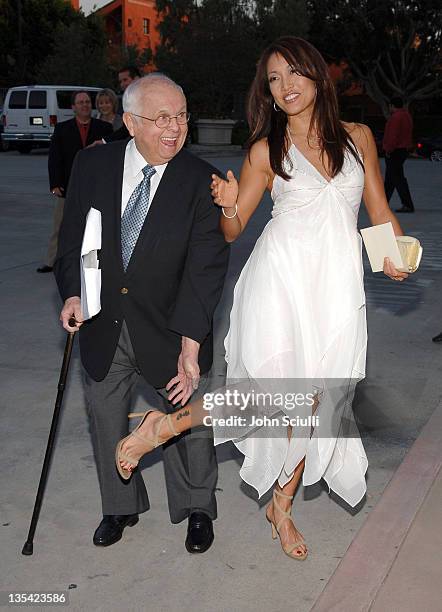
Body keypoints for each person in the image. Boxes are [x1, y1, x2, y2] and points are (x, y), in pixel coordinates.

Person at [116, 37, 409, 561]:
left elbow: (378, 211)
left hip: (335, 287)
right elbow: (232, 232)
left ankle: (281, 504)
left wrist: (394, 254)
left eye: (294, 73)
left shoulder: (359, 137)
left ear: (317, 77)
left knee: (313, 403)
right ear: (268, 93)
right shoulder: (264, 150)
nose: (286, 86)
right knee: (278, 394)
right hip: (279, 281)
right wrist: (229, 205)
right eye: (274, 79)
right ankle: (167, 426)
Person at [54, 74, 229, 553]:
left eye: (181, 116)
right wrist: (72, 294)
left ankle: (197, 508)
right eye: (161, 118)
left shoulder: (200, 181)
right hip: (103, 321)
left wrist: (191, 346)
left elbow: (206, 268)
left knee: (185, 421)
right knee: (106, 417)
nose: (175, 128)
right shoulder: (92, 165)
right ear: (130, 122)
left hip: (172, 327)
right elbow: (70, 242)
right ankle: (120, 506)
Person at [37, 91, 112, 273]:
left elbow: (111, 158)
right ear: (73, 107)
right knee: (60, 225)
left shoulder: (104, 128)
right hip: (68, 186)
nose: (85, 105)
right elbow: (55, 158)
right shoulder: (62, 129)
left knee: (98, 226)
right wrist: (55, 184)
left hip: (96, 186)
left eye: (87, 102)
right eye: (80, 102)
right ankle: (52, 261)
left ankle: (102, 261)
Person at [383, 97, 415, 213]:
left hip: (395, 150)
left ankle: (407, 204)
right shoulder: (406, 115)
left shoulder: (395, 118)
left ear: (392, 105)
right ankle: (383, 203)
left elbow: (392, 135)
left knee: (396, 178)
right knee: (391, 178)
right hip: (403, 149)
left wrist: (388, 149)